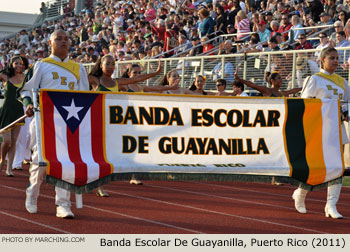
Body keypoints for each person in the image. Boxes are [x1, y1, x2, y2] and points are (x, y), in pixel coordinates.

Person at [19, 29, 89, 219]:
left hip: (68, 123)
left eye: (66, 39)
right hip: (44, 120)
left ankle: (63, 204)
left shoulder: (79, 68)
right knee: (40, 163)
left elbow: (86, 97)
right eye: (59, 39)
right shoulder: (41, 65)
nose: (64, 42)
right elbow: (26, 91)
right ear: (50, 43)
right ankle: (32, 194)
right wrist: (28, 104)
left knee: (65, 163)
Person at [293, 47, 349, 219]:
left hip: (337, 129)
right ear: (322, 60)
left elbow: (347, 104)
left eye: (337, 58)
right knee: (315, 166)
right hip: (318, 129)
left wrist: (346, 113)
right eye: (331, 58)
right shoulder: (314, 80)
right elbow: (305, 104)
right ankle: (300, 195)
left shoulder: (342, 81)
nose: (335, 61)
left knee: (337, 166)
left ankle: (331, 204)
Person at [0, 56, 28, 176]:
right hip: (6, 111)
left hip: (18, 112)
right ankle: (2, 161)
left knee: (14, 141)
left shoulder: (26, 77)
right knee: (7, 141)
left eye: (21, 64)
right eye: (16, 63)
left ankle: (9, 169)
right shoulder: (5, 76)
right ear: (11, 64)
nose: (19, 65)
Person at [234, 68, 301, 97]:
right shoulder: (267, 90)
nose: (281, 80)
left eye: (281, 78)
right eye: (279, 78)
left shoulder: (280, 93)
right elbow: (253, 85)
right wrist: (239, 79)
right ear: (272, 81)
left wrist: (304, 87)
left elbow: (292, 91)